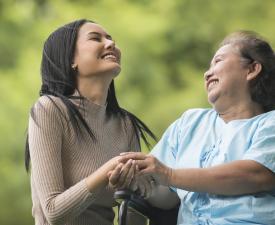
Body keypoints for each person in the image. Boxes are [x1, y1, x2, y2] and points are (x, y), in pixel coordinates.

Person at [115, 31, 275, 225]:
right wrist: (141, 182)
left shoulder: (270, 123)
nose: (207, 73)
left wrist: (169, 175)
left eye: (218, 61)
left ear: (252, 69)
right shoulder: (189, 123)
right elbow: (167, 199)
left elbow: (254, 175)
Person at [25, 19, 156, 225]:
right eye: (96, 38)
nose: (111, 44)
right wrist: (107, 170)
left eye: (111, 39)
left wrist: (135, 185)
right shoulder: (49, 109)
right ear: (70, 59)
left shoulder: (126, 124)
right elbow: (53, 213)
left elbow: (133, 209)